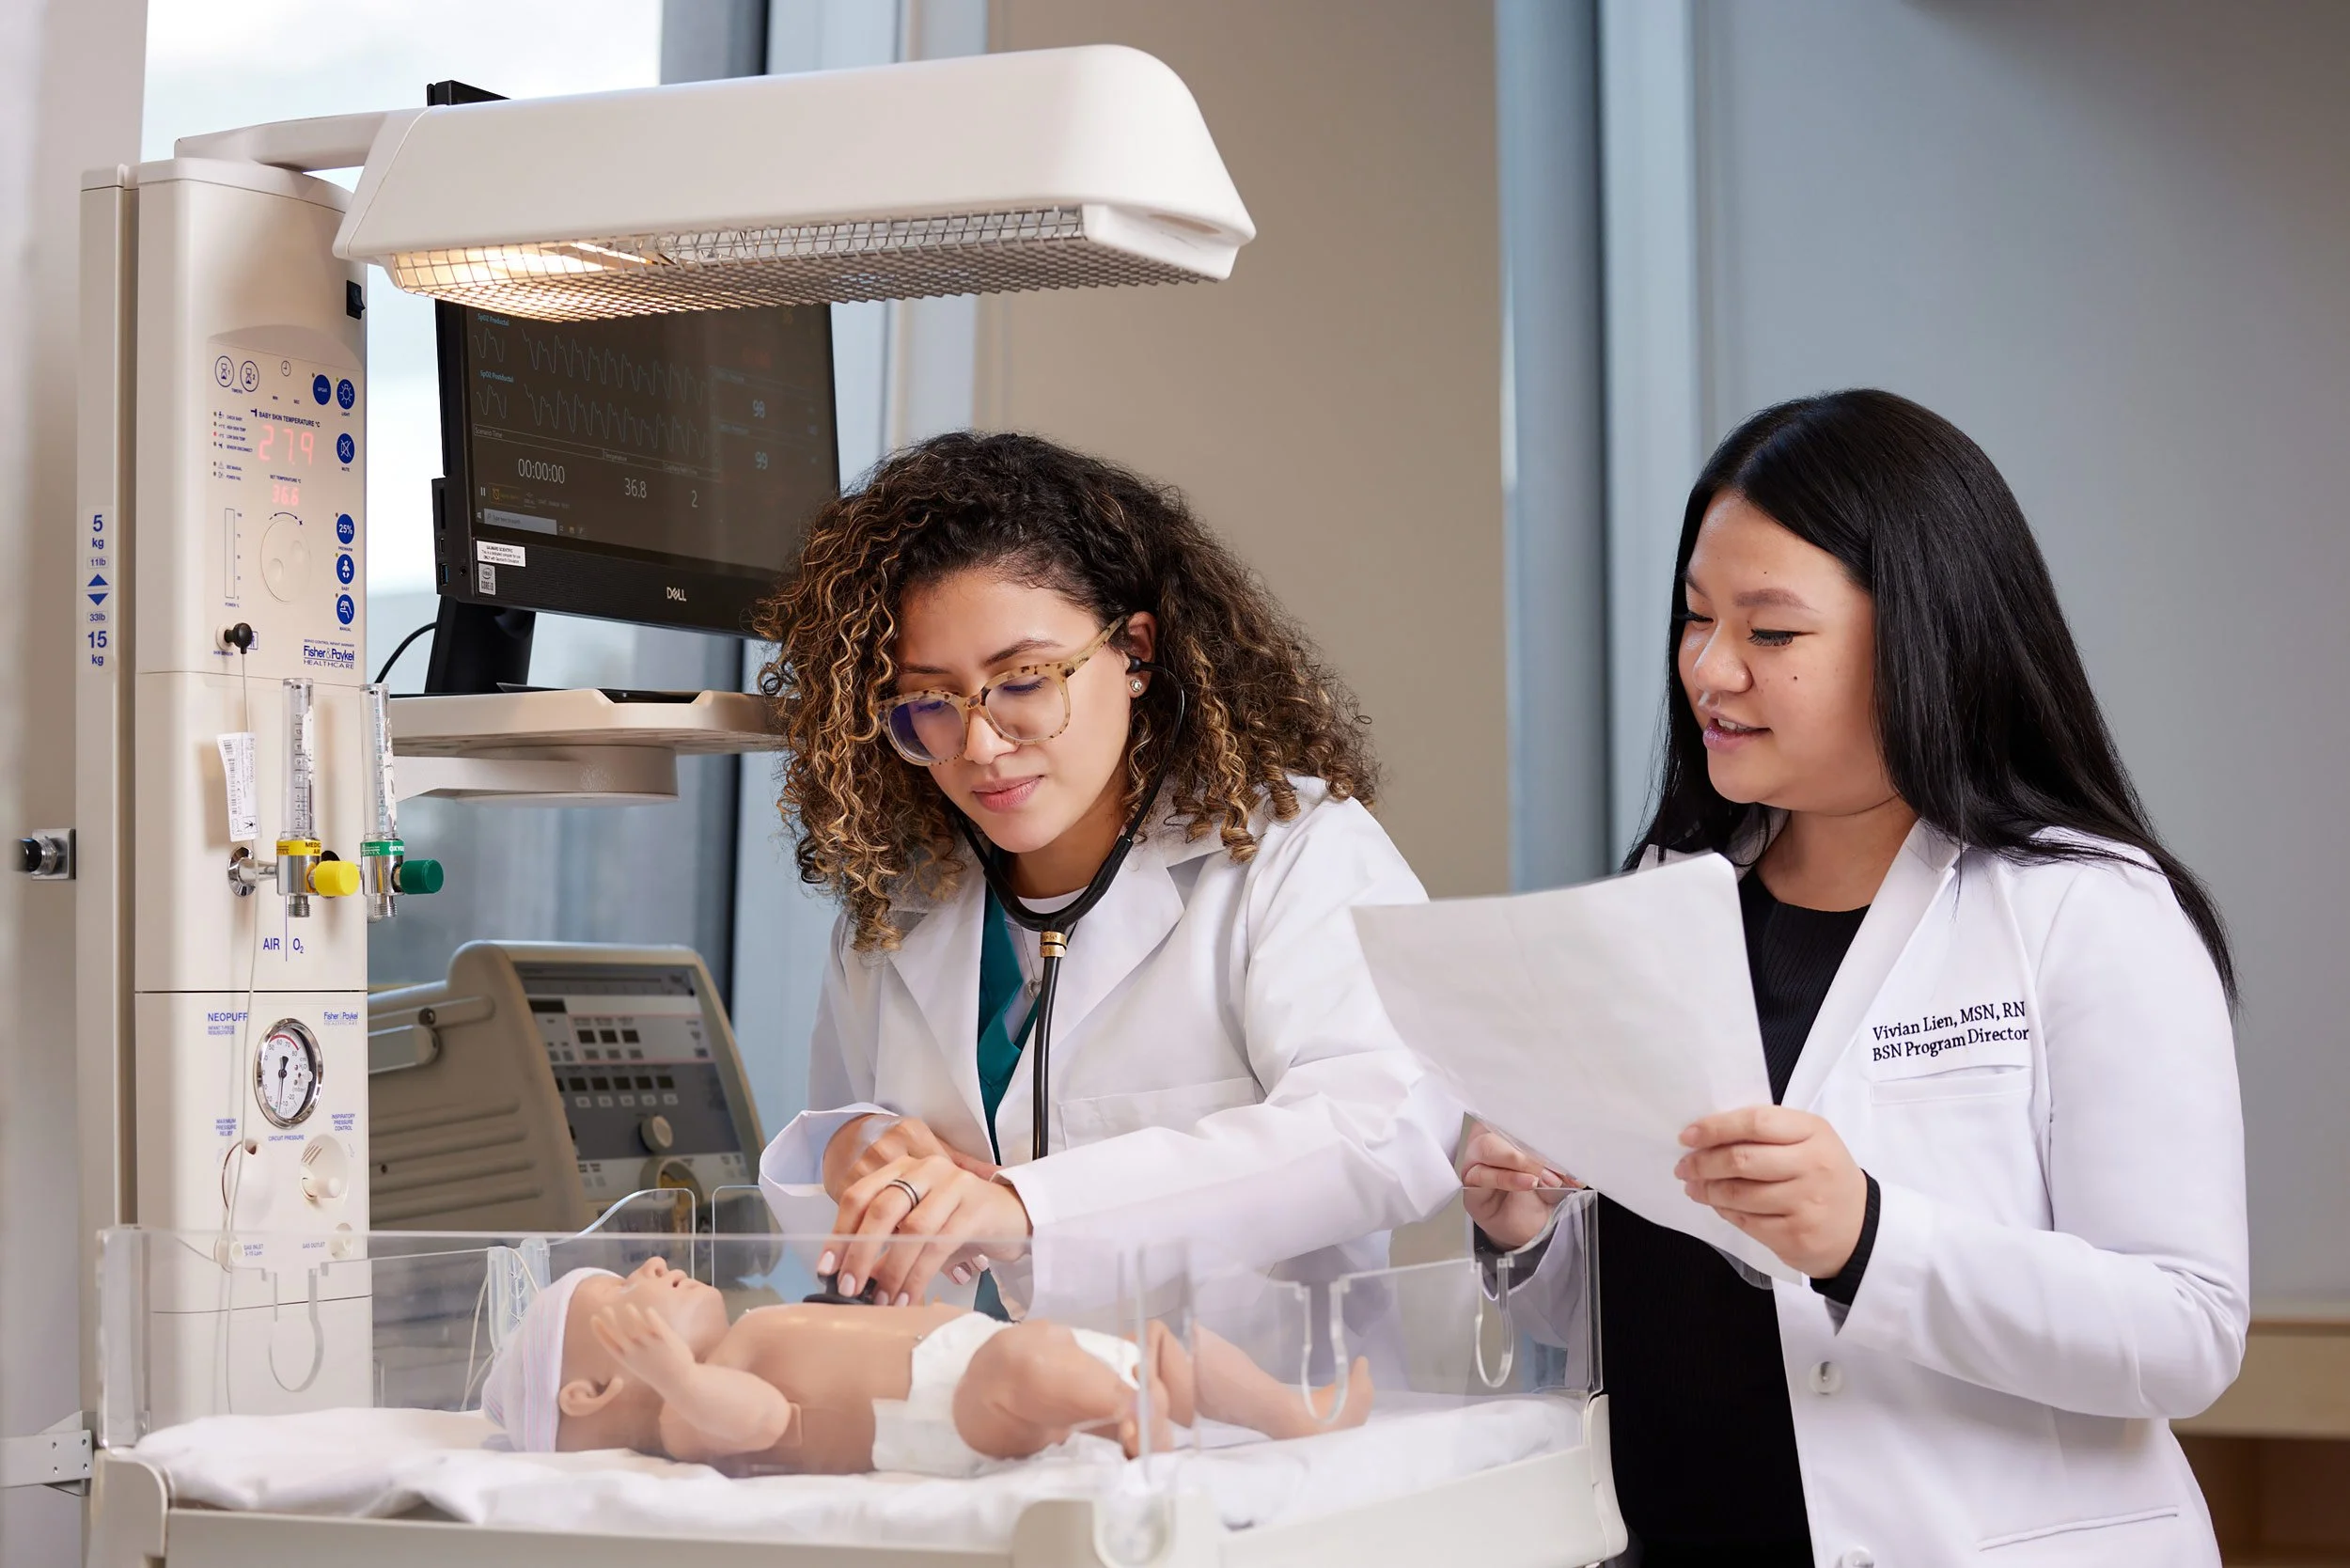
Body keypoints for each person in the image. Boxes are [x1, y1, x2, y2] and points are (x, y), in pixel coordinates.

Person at [1465, 390, 2246, 1567]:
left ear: (1925, 636)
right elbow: (1675, 1307)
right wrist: (1531, 1229)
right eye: (1693, 618)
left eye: (1770, 635)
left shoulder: (2083, 908)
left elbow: (2185, 1332)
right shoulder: (1670, 898)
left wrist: (1871, 1238)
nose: (1709, 670)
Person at [749, 431, 1459, 1310]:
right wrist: (851, 1146)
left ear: (1134, 653)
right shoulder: (903, 898)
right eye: (926, 702)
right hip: (961, 1424)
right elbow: (849, 1203)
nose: (978, 744)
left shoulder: (1293, 852)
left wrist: (1029, 1208)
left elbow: (1381, 1130)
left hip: (1239, 1429)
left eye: (1025, 680)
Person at [478, 1255, 1372, 1475]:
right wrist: (677, 1377)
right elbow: (754, 1420)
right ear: (593, 1391)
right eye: (622, 1293)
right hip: (944, 1414)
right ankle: (1124, 1415)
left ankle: (1291, 1414)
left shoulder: (752, 1326)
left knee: (1166, 1345)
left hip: (969, 1355)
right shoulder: (687, 1418)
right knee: (1028, 1368)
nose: (650, 1268)